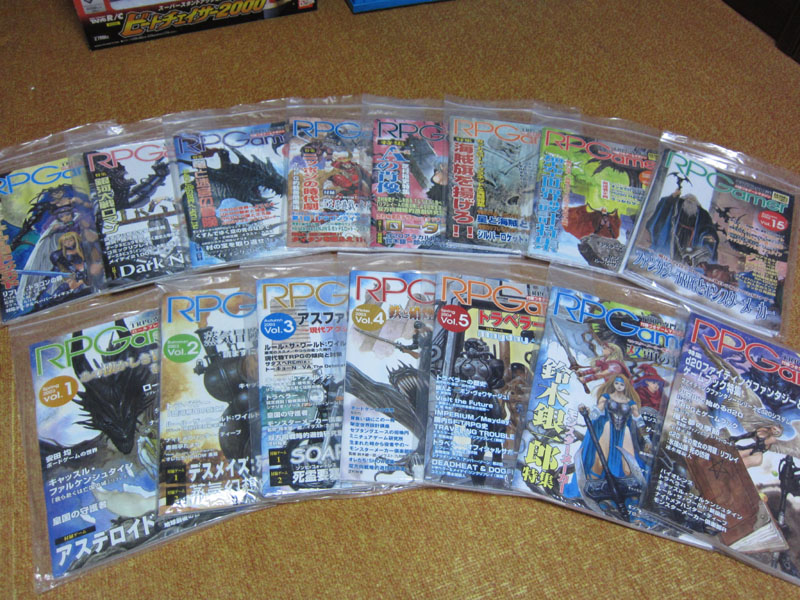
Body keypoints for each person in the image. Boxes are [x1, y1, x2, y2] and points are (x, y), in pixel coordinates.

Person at [564, 374, 650, 518]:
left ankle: (631, 499)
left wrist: (647, 439)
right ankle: (595, 490)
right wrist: (588, 413)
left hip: (624, 432)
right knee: (599, 461)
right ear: (613, 384)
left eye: (622, 384)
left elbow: (639, 421)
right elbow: (597, 411)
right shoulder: (606, 397)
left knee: (628, 467)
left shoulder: (630, 403)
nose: (619, 386)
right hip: (608, 428)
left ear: (626, 386)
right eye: (617, 383)